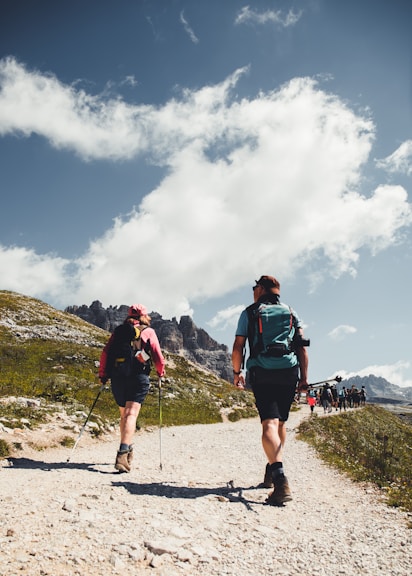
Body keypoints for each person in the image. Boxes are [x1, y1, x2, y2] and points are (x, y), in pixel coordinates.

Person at [232, 276, 308, 505]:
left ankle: (280, 479)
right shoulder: (292, 312)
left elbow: (238, 346)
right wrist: (304, 378)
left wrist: (237, 373)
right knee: (281, 424)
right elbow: (302, 347)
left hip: (262, 371)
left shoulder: (250, 312)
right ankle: (271, 469)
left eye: (255, 287)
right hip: (289, 371)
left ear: (262, 289)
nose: (253, 291)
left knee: (269, 424)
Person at [99, 304, 166, 473]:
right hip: (138, 376)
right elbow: (157, 355)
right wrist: (160, 372)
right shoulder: (148, 331)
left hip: (118, 377)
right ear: (144, 316)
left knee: (124, 415)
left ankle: (127, 450)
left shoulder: (119, 331)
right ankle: (123, 453)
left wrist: (103, 374)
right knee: (131, 415)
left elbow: (106, 353)